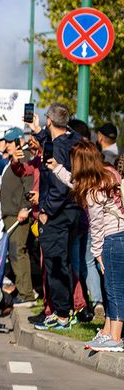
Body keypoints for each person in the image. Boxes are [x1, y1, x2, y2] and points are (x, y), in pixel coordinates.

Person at [54, 140, 124, 351]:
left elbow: (97, 226)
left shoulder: (92, 191)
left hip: (112, 240)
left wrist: (97, 254)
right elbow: (76, 183)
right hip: (120, 236)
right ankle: (108, 333)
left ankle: (116, 338)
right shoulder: (109, 174)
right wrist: (57, 169)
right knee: (112, 288)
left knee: (114, 290)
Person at [26, 104, 82, 330]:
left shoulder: (58, 148)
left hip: (57, 212)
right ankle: (63, 311)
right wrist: (38, 129)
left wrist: (46, 212)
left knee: (55, 262)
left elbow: (58, 188)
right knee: (64, 261)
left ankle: (61, 315)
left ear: (49, 120)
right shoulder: (72, 139)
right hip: (73, 210)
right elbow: (50, 138)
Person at [0, 128, 36, 305]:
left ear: (20, 142)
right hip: (11, 213)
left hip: (17, 214)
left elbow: (28, 185)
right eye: (7, 141)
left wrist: (25, 208)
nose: (7, 145)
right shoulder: (13, 159)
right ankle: (23, 291)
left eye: (11, 142)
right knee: (15, 252)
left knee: (18, 252)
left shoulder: (24, 157)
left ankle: (26, 294)